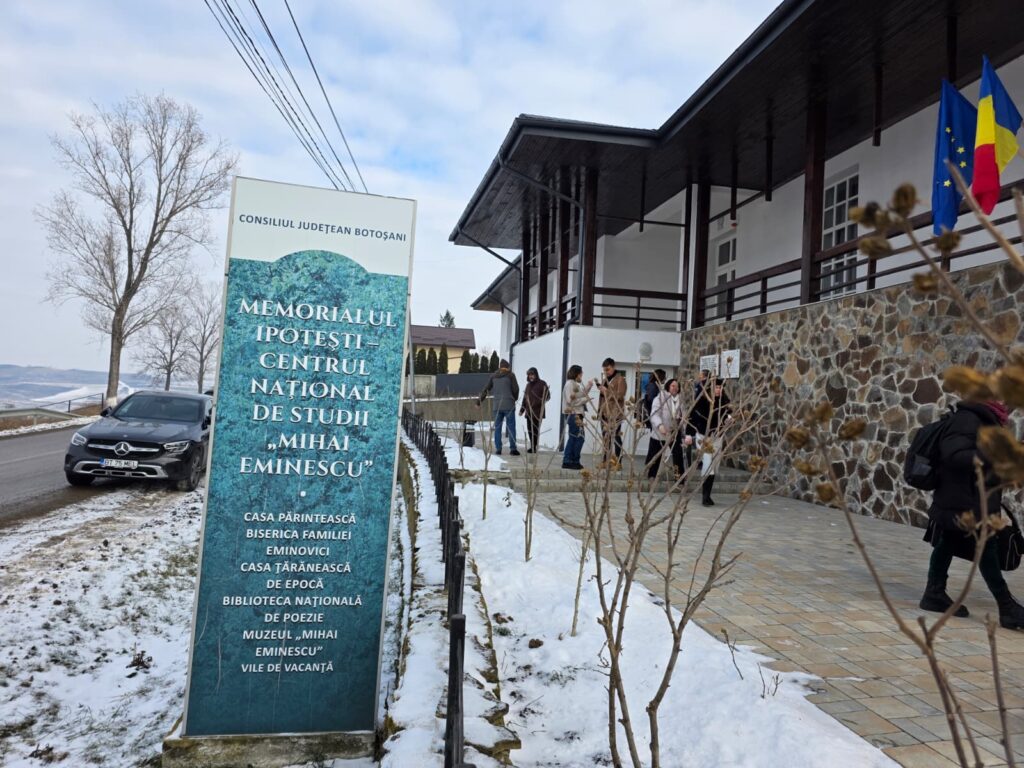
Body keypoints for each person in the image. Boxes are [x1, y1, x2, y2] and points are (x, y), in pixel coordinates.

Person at [920, 399, 1024, 629]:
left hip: (969, 496)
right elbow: (954, 455)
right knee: (986, 545)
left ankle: (934, 593)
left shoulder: (985, 419)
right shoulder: (968, 419)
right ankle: (1007, 607)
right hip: (966, 499)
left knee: (948, 540)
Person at [686, 377, 731, 506]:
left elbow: (727, 416)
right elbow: (692, 418)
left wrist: (728, 420)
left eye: (720, 387)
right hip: (703, 437)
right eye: (716, 387)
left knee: (714, 466)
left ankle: (708, 495)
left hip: (717, 438)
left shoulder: (723, 401)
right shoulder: (701, 402)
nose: (718, 390)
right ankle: (705, 497)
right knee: (707, 464)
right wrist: (689, 434)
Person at [477, 359, 520, 456]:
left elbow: (486, 389)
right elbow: (516, 389)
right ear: (508, 367)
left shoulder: (493, 376)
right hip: (509, 405)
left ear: (500, 367)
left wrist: (479, 402)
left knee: (497, 428)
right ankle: (513, 449)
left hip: (497, 406)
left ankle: (498, 449)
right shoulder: (511, 375)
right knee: (511, 427)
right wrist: (514, 398)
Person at [648, 378, 686, 480]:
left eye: (677, 386)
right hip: (660, 431)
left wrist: (682, 428)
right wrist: (660, 426)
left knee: (678, 455)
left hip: (674, 431)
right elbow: (654, 414)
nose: (675, 388)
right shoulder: (660, 398)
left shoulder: (680, 400)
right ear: (668, 387)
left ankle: (679, 479)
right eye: (673, 386)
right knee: (656, 455)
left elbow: (683, 415)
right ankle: (652, 476)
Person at [597, 357, 627, 466]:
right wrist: (599, 412)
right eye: (604, 370)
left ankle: (618, 462)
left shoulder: (620, 379)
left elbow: (620, 396)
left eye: (608, 369)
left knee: (615, 438)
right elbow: (602, 398)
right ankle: (606, 461)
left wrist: (607, 391)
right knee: (605, 438)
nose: (606, 372)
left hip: (615, 414)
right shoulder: (605, 380)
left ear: (613, 367)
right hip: (604, 414)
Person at [561, 365, 592, 470]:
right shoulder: (570, 384)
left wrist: (588, 387)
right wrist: (585, 400)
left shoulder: (573, 384)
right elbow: (570, 401)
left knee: (577, 437)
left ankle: (571, 460)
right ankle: (570, 461)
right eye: (581, 374)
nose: (582, 376)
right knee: (577, 437)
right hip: (574, 414)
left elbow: (579, 394)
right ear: (577, 374)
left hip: (575, 414)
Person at [520, 367, 550, 454]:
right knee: (530, 430)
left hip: (538, 412)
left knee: (535, 430)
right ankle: (532, 446)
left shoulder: (542, 384)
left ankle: (534, 446)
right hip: (529, 412)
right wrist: (522, 410)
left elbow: (547, 396)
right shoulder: (528, 385)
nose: (531, 376)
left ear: (536, 375)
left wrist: (538, 402)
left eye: (532, 374)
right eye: (529, 375)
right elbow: (525, 399)